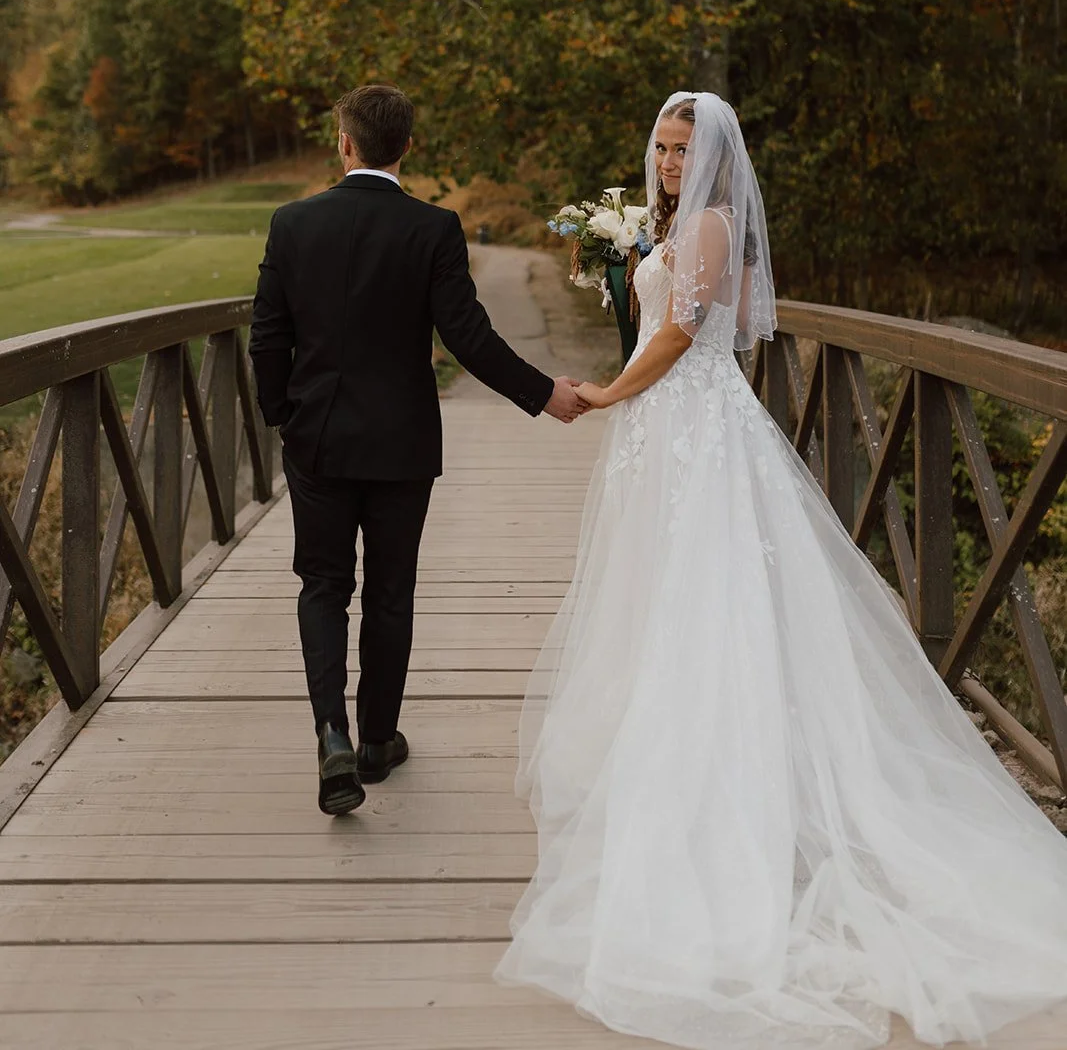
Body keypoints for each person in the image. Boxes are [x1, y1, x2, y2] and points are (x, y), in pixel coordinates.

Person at [495, 90, 1067, 1049]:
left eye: (682, 149)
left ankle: (734, 793)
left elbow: (676, 338)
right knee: (654, 606)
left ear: (714, 154)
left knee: (710, 605)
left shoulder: (713, 226)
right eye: (661, 148)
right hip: (660, 438)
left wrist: (603, 393)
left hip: (695, 431)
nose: (669, 164)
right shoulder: (673, 222)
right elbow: (651, 313)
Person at [250, 83, 585, 816]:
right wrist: (543, 394)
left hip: (318, 441)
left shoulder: (292, 224)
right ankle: (376, 741)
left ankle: (330, 735)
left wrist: (286, 417)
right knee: (391, 589)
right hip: (401, 441)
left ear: (344, 143)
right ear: (407, 147)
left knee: (322, 585)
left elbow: (268, 337)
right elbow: (467, 336)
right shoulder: (433, 227)